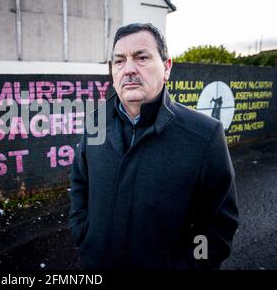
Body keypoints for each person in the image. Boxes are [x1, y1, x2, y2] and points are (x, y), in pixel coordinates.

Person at [69, 23, 239, 270]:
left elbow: (217, 227)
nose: (128, 69)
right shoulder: (96, 122)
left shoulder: (204, 135)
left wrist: (191, 265)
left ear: (166, 67)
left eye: (141, 58)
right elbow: (79, 184)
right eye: (119, 61)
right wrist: (83, 234)